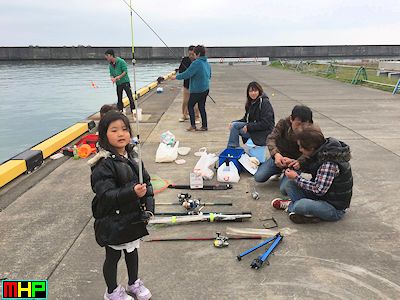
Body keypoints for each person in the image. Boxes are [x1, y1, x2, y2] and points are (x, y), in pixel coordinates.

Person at [89, 111, 154, 300]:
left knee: (132, 252)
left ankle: (133, 283)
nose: (121, 134)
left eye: (124, 129)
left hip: (133, 218)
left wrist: (148, 208)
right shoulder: (103, 163)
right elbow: (106, 194)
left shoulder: (133, 156)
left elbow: (147, 183)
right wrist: (132, 192)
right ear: (104, 135)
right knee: (113, 257)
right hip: (113, 220)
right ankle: (112, 291)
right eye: (114, 130)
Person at [271, 126, 353, 224]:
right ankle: (304, 212)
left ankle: (292, 206)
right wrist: (297, 164)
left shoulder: (329, 164)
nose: (300, 150)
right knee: (290, 184)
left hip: (333, 207)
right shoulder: (323, 152)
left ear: (311, 148)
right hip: (322, 198)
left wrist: (296, 177)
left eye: (301, 147)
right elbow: (314, 166)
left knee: (301, 205)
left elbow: (318, 190)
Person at [254, 105, 314, 194]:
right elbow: (271, 138)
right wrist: (276, 154)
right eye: (298, 124)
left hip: (295, 162)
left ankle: (292, 175)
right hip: (280, 156)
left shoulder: (312, 131)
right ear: (291, 119)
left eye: (304, 124)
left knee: (284, 190)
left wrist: (299, 162)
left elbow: (312, 152)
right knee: (259, 177)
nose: (300, 128)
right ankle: (278, 170)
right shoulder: (283, 123)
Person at [172, 45, 211, 132]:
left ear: (198, 54)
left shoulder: (196, 63)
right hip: (205, 89)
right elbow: (209, 75)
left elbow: (187, 74)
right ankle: (204, 126)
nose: (193, 55)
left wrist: (176, 77)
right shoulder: (206, 63)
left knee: (190, 105)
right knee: (202, 107)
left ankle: (193, 126)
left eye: (194, 53)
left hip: (197, 90)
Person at [227, 81, 274, 149]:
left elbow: (266, 123)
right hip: (255, 128)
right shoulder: (251, 102)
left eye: (255, 91)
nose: (253, 93)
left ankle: (232, 149)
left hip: (264, 132)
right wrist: (233, 122)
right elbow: (246, 119)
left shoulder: (264, 103)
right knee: (234, 126)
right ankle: (233, 148)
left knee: (237, 129)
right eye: (251, 91)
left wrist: (249, 127)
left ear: (259, 91)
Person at [104, 49, 135, 114]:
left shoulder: (121, 61)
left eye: (107, 56)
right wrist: (112, 78)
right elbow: (111, 74)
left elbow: (125, 71)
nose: (106, 57)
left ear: (111, 55)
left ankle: (133, 110)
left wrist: (118, 77)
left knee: (130, 96)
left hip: (125, 82)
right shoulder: (110, 65)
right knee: (119, 98)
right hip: (118, 83)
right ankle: (120, 111)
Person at [178, 45, 200, 123]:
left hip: (195, 85)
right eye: (189, 54)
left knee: (196, 102)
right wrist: (186, 72)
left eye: (192, 54)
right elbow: (180, 71)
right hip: (186, 84)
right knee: (185, 101)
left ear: (195, 53)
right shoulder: (185, 60)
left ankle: (197, 117)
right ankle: (184, 115)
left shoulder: (198, 61)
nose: (191, 56)